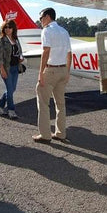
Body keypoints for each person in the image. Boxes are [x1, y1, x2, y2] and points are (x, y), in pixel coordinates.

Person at [32, 8, 72, 143]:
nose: (40, 21)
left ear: (47, 17)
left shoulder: (47, 31)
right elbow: (69, 53)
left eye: (41, 18)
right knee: (60, 104)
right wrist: (67, 72)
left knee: (43, 103)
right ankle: (61, 133)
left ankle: (45, 135)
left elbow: (46, 51)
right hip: (62, 70)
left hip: (51, 71)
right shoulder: (64, 31)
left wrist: (41, 72)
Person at [0, 20, 24, 119]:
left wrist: (21, 57)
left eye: (9, 27)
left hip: (16, 67)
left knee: (12, 89)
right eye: (5, 27)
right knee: (10, 90)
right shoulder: (1, 40)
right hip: (6, 68)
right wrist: (2, 69)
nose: (7, 29)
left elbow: (19, 51)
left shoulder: (16, 39)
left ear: (13, 28)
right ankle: (11, 110)